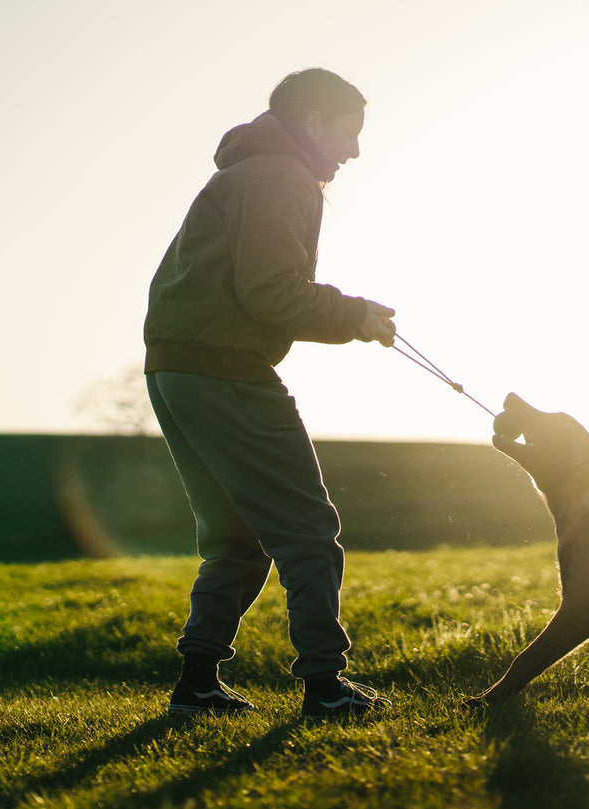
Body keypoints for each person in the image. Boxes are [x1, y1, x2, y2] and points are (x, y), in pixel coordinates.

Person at [143, 68, 396, 719]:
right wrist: (355, 315)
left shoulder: (243, 172)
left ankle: (197, 685)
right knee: (308, 530)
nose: (356, 150)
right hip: (225, 369)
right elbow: (271, 292)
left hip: (175, 370)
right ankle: (324, 686)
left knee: (236, 537)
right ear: (314, 120)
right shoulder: (281, 176)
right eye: (350, 132)